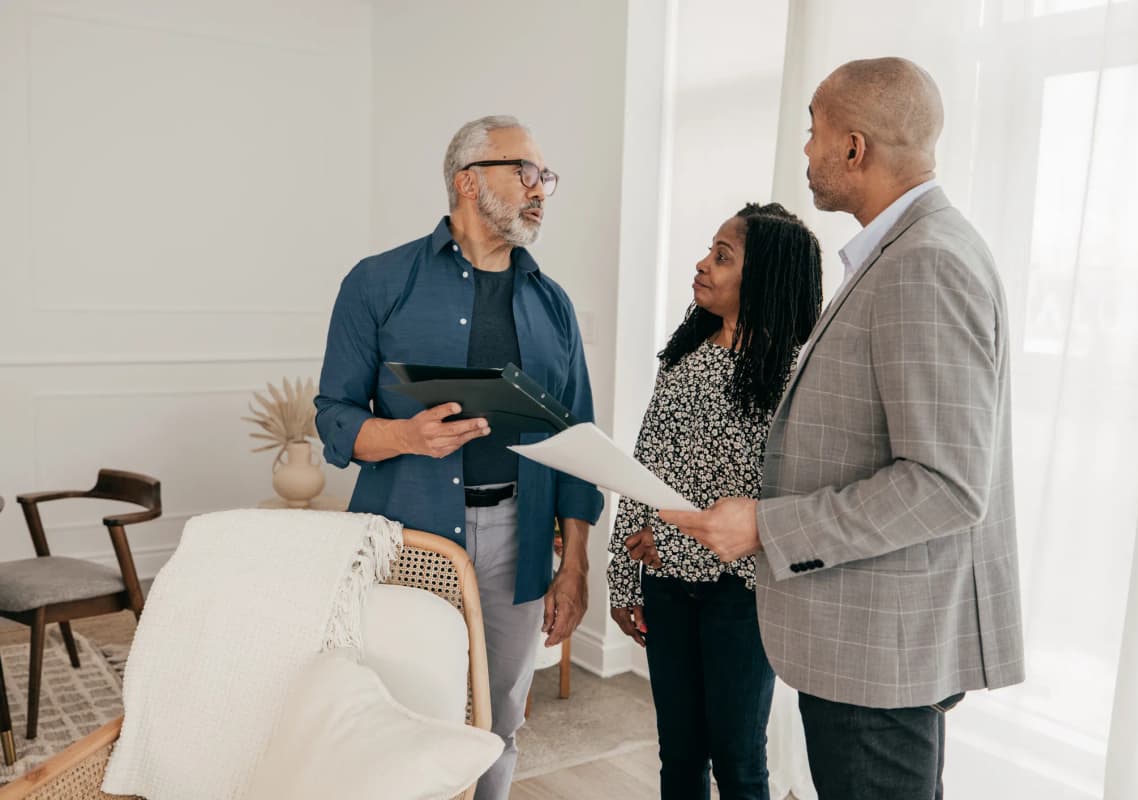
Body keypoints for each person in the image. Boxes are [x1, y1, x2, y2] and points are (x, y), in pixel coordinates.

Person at [660, 58, 1025, 800]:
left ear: (853, 147)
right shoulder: (903, 253)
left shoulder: (925, 263)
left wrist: (767, 524)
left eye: (813, 130)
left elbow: (946, 486)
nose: (805, 150)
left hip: (880, 657)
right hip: (869, 643)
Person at [314, 115, 603, 800]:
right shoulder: (377, 283)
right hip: (403, 532)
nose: (540, 191)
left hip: (519, 536)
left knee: (497, 718)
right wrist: (405, 436)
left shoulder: (552, 304)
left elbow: (577, 438)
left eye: (545, 178)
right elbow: (334, 416)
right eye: (525, 172)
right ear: (468, 181)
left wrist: (576, 565)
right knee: (398, 711)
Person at [609, 203, 823, 800]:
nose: (703, 264)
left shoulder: (796, 378)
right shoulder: (685, 355)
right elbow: (645, 464)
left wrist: (674, 545)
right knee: (678, 756)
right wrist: (624, 578)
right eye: (710, 250)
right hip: (666, 583)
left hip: (744, 596)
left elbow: (780, 506)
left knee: (738, 760)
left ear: (764, 279)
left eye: (722, 256)